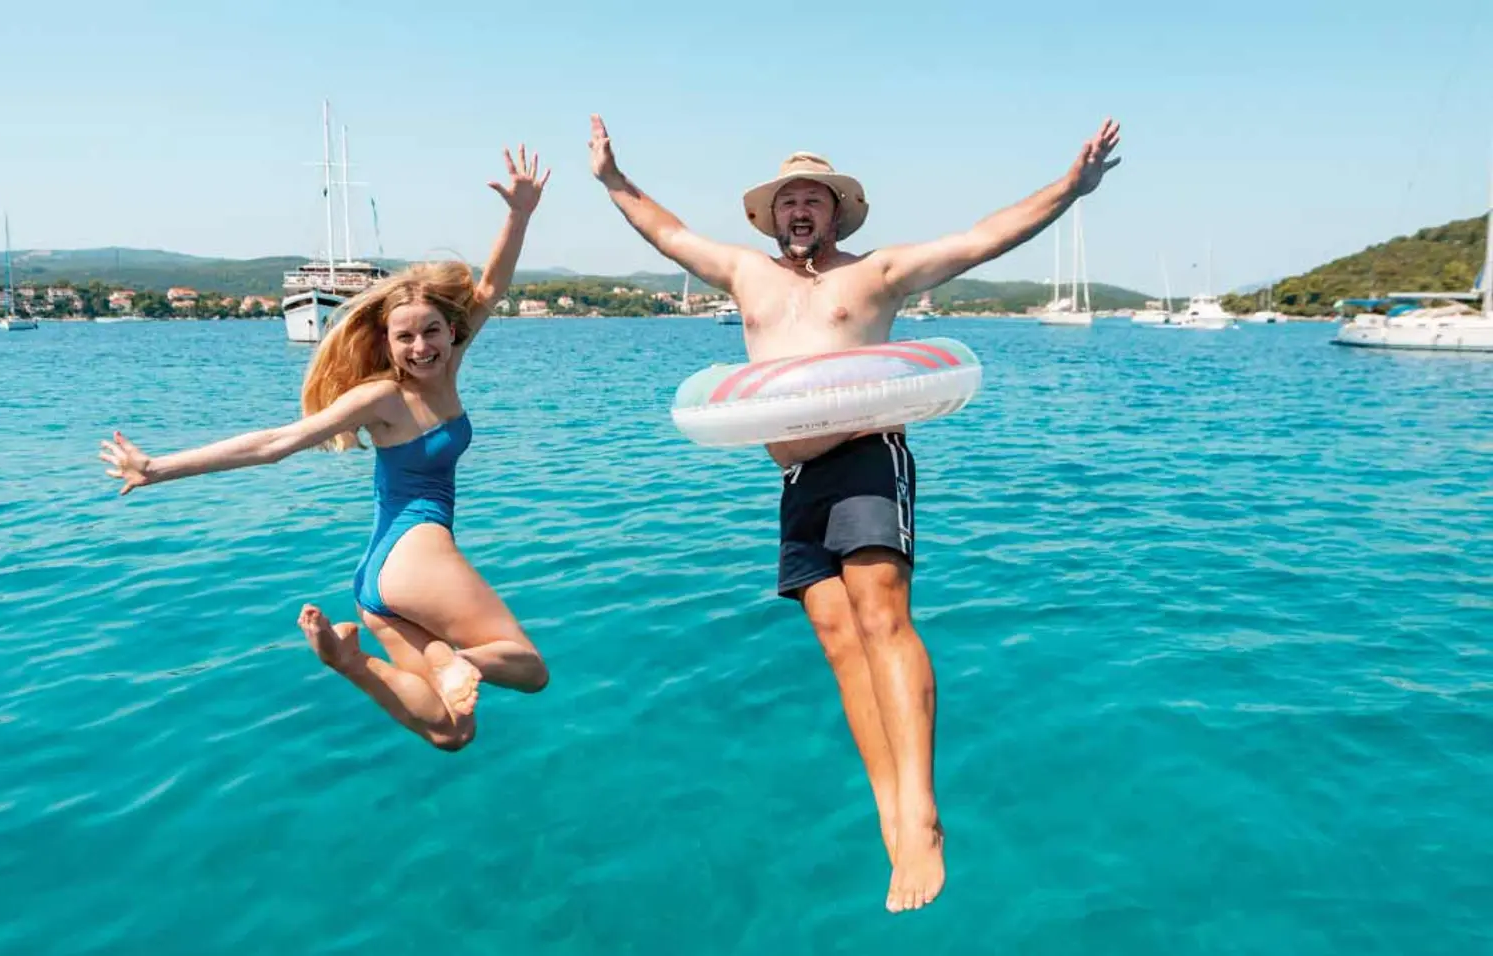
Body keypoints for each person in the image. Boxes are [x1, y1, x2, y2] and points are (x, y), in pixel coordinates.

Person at [589, 113, 1120, 911]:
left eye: (814, 199)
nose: (800, 211)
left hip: (870, 455)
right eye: (787, 201)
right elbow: (667, 233)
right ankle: (890, 813)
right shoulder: (745, 273)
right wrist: (612, 180)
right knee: (839, 643)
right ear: (772, 217)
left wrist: (1070, 188)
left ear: (837, 212)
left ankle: (925, 814)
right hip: (796, 479)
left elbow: (984, 238)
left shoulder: (877, 274)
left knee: (882, 618)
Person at [99, 146, 553, 752]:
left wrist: (519, 214)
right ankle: (454, 658)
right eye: (405, 338)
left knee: (452, 731)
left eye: (431, 332)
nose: (421, 347)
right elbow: (278, 442)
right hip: (416, 554)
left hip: (378, 580)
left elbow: (492, 285)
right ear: (387, 344)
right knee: (526, 667)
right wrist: (158, 468)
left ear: (451, 330)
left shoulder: (448, 365)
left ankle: (348, 661)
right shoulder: (381, 397)